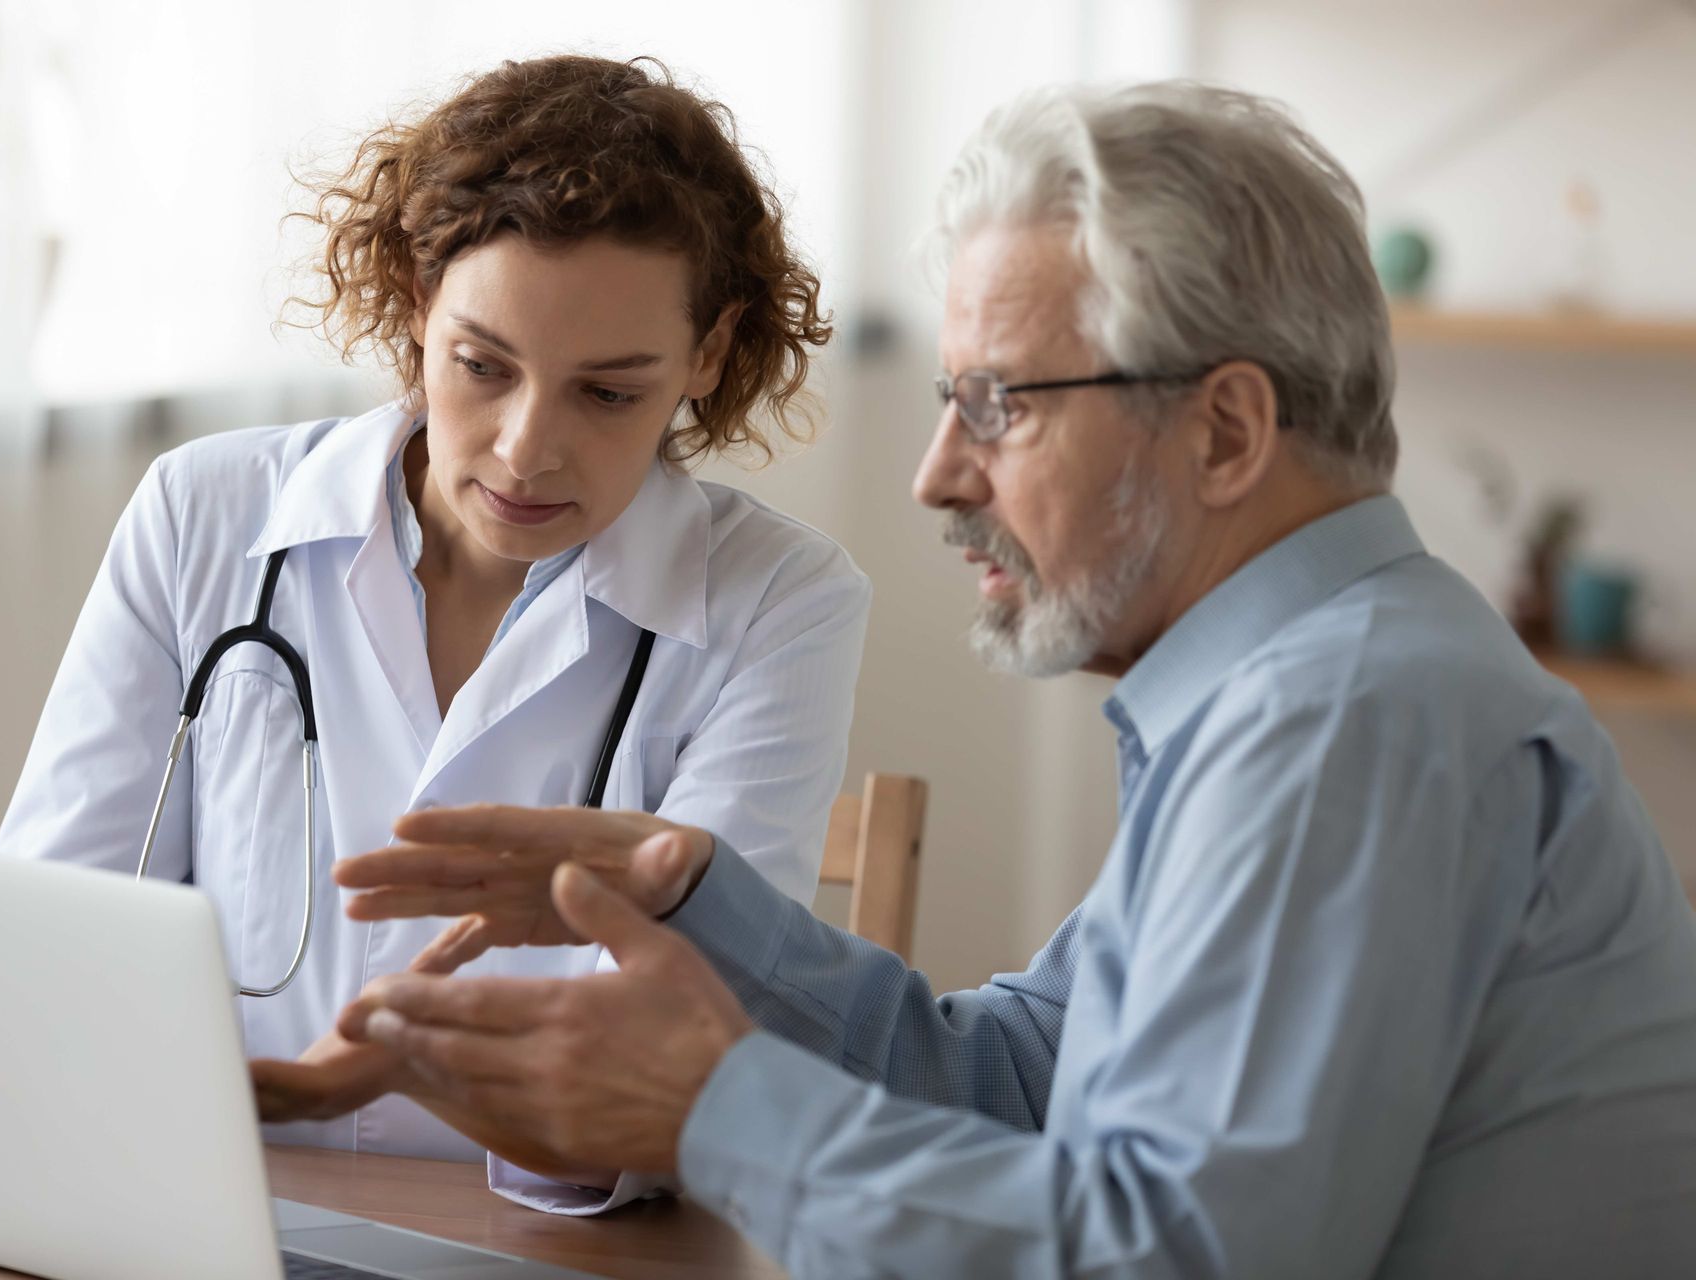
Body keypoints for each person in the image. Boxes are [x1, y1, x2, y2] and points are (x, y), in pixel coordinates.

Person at [309, 83, 1696, 1275]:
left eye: (1000, 406)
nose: (936, 475)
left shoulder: (1344, 717)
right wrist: (696, 906)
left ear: (1223, 431)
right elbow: (1028, 1085)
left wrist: (710, 1105)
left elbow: (1171, 1256)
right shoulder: (1304, 683)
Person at [0, 54, 870, 1216]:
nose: (525, 447)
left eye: (607, 393)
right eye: (481, 366)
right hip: (189, 1210)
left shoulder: (782, 599)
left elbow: (684, 1041)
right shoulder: (204, 515)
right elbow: (45, 926)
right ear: (412, 302)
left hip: (547, 1241)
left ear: (707, 353)